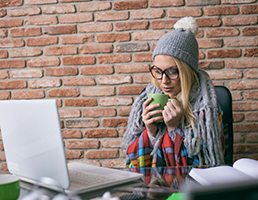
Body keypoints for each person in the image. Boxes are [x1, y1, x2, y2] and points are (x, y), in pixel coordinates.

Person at [121, 17, 225, 169]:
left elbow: (202, 169)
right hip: (152, 189)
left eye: (172, 71)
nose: (164, 81)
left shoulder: (207, 110)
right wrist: (150, 132)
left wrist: (173, 129)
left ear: (187, 72)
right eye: (157, 71)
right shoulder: (146, 99)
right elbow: (133, 166)